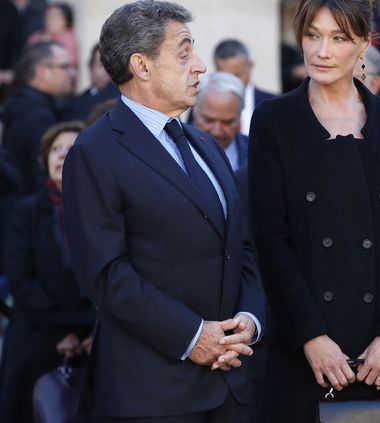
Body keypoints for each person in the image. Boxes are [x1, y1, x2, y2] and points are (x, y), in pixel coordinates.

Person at [62, 1, 265, 421]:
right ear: (142, 65)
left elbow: (240, 247)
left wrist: (248, 318)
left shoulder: (205, 144)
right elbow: (106, 274)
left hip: (231, 385)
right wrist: (194, 337)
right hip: (152, 396)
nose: (201, 66)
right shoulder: (94, 151)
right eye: (185, 51)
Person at [248, 0, 380, 420]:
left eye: (338, 38)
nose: (322, 51)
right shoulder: (273, 121)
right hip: (306, 351)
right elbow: (269, 238)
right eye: (312, 36)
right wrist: (311, 336)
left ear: (365, 44)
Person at [0, 120, 95, 423]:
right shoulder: (25, 211)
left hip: (95, 334)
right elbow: (20, 278)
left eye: (71, 149)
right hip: (39, 330)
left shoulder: (104, 209)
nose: (61, 155)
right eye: (56, 149)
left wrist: (95, 330)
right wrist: (60, 332)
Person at [3, 40, 74, 197]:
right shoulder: (39, 116)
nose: (72, 73)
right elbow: (44, 177)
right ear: (42, 72)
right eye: (64, 67)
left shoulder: (22, 105)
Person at [213, 39, 274, 136]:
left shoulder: (273, 103)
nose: (231, 83)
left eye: (237, 76)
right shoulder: (204, 104)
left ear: (250, 66)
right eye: (225, 77)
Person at [193, 72, 247, 171]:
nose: (217, 131)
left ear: (239, 117)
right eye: (209, 120)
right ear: (194, 110)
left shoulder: (257, 152)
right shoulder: (174, 152)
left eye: (227, 122)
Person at [66, 43, 119, 121]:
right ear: (91, 68)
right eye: (102, 65)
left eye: (113, 65)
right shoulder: (76, 103)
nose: (108, 71)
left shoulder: (127, 99)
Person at [27, 2, 78, 73]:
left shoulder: (68, 39)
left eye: (55, 18)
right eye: (48, 17)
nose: (50, 21)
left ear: (66, 22)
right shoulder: (36, 37)